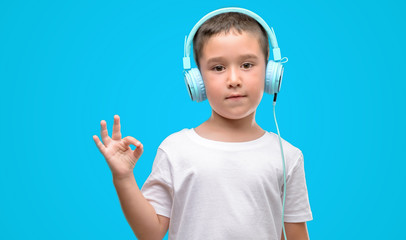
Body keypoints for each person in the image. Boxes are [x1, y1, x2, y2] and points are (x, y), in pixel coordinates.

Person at [93, 7, 313, 240]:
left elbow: (295, 232)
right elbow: (150, 233)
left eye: (247, 65)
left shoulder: (287, 155)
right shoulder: (175, 149)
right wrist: (124, 177)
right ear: (196, 80)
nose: (234, 80)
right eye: (218, 68)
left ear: (270, 72)